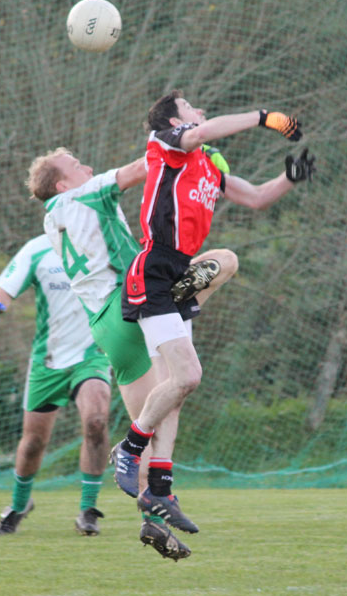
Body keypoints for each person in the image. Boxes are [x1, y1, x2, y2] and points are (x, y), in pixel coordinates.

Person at [26, 146, 233, 560]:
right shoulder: (84, 194)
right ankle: (180, 302)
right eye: (76, 164)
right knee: (224, 261)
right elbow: (147, 165)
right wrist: (190, 143)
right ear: (62, 183)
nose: (88, 165)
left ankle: (153, 520)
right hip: (129, 302)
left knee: (162, 408)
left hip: (107, 328)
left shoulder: (55, 217)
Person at [116, 89, 315, 515]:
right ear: (174, 122)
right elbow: (204, 130)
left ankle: (160, 489)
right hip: (152, 271)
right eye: (189, 108)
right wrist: (265, 117)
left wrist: (290, 179)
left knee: (178, 385)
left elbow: (257, 197)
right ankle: (130, 447)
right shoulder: (164, 143)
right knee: (188, 376)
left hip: (177, 275)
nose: (198, 110)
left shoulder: (206, 166)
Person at [0, 233, 112, 537]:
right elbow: (5, 289)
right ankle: (19, 504)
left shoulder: (107, 241)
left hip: (92, 355)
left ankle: (88, 510)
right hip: (47, 361)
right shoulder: (37, 248)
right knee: (33, 443)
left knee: (96, 421)